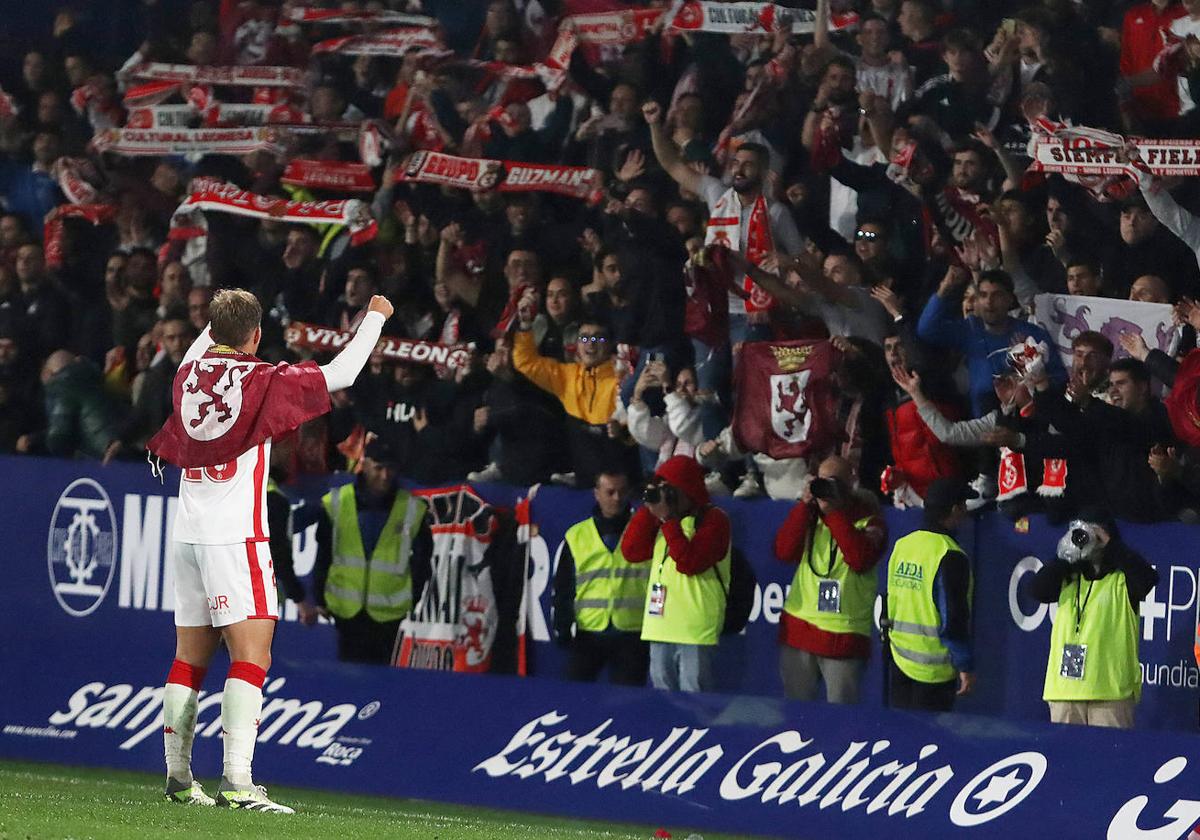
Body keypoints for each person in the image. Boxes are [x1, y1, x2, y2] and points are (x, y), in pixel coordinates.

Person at [147, 288, 394, 812]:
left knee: (188, 660)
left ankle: (177, 778)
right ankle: (237, 781)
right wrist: (374, 318)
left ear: (210, 332)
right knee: (252, 657)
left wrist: (221, 319)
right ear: (256, 337)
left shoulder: (186, 373)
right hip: (236, 536)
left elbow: (208, 342)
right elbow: (343, 373)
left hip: (186, 534)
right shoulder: (264, 381)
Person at [1028, 511, 1158, 728]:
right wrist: (1065, 554)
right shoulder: (1067, 577)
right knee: (1064, 761)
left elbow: (1148, 578)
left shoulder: (1122, 580)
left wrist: (1110, 544)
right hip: (1065, 692)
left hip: (1110, 694)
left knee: (1108, 761)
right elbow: (1037, 590)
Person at [774, 456, 887, 704]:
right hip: (799, 631)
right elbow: (783, 551)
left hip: (843, 638)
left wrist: (834, 513)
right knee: (796, 718)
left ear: (851, 482)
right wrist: (805, 506)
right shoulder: (811, 515)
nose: (827, 488)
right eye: (822, 481)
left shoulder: (870, 520)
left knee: (841, 723)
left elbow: (860, 558)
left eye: (834, 482)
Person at [313, 439, 433, 664]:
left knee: (380, 679)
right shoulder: (337, 501)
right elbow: (324, 552)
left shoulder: (412, 509)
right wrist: (319, 596)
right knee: (348, 675)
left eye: (390, 468)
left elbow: (423, 561)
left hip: (389, 612)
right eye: (378, 468)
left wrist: (412, 597)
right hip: (345, 608)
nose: (385, 475)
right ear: (364, 464)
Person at [620, 455, 731, 693]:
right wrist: (649, 509)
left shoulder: (714, 520)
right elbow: (631, 551)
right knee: (665, 706)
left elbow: (690, 563)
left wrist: (669, 520)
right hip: (659, 625)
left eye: (669, 490)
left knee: (696, 702)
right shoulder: (660, 521)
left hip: (695, 629)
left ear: (687, 490)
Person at [885, 477, 977, 712]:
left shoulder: (903, 545)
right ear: (954, 509)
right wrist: (965, 665)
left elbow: (891, 600)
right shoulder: (950, 554)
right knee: (929, 743)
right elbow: (953, 616)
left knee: (902, 739)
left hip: (899, 660)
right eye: (964, 505)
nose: (966, 512)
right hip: (934, 672)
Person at [553, 471, 650, 686]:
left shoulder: (647, 532)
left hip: (632, 634)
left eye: (622, 492)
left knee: (627, 703)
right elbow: (563, 587)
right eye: (610, 492)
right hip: (589, 634)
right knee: (572, 698)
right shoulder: (577, 535)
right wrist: (562, 627)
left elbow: (659, 584)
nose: (617, 498)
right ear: (597, 494)